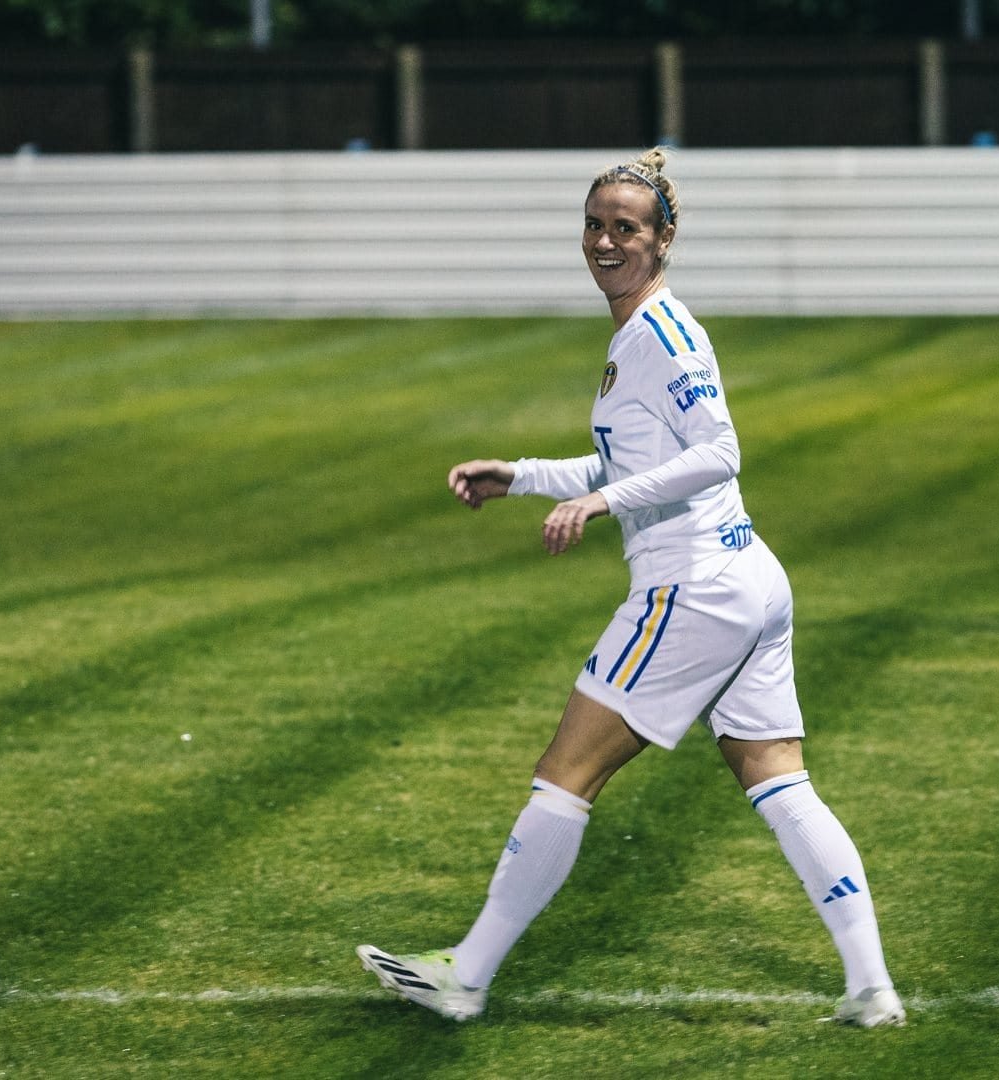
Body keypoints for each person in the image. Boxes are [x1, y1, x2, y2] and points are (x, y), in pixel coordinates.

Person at [356, 148, 903, 1028]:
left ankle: (467, 974)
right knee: (777, 778)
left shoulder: (661, 335)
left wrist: (601, 502)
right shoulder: (641, 334)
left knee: (564, 774)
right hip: (748, 579)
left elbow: (719, 450)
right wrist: (523, 474)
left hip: (694, 588)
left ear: (663, 240)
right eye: (596, 224)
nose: (607, 242)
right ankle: (872, 990)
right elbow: (636, 455)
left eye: (627, 228)